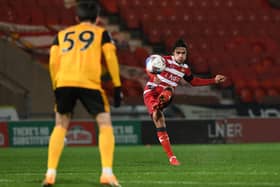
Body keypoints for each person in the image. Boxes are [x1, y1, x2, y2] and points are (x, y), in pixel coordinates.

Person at [42, 1, 122, 186]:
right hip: (89, 83)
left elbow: (53, 61)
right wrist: (117, 86)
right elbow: (110, 56)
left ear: (77, 18)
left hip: (64, 82)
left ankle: (50, 173)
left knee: (60, 124)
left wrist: (56, 85)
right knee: (104, 123)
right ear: (97, 18)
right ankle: (107, 173)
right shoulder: (101, 33)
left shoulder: (61, 35)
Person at [143, 39, 226, 166]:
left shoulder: (185, 69)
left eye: (183, 53)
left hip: (166, 93)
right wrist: (153, 77)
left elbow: (194, 82)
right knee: (158, 116)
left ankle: (172, 158)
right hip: (150, 92)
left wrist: (213, 80)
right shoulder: (164, 60)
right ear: (173, 53)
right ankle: (157, 107)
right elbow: (148, 63)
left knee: (167, 92)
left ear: (186, 55)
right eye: (178, 53)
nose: (181, 55)